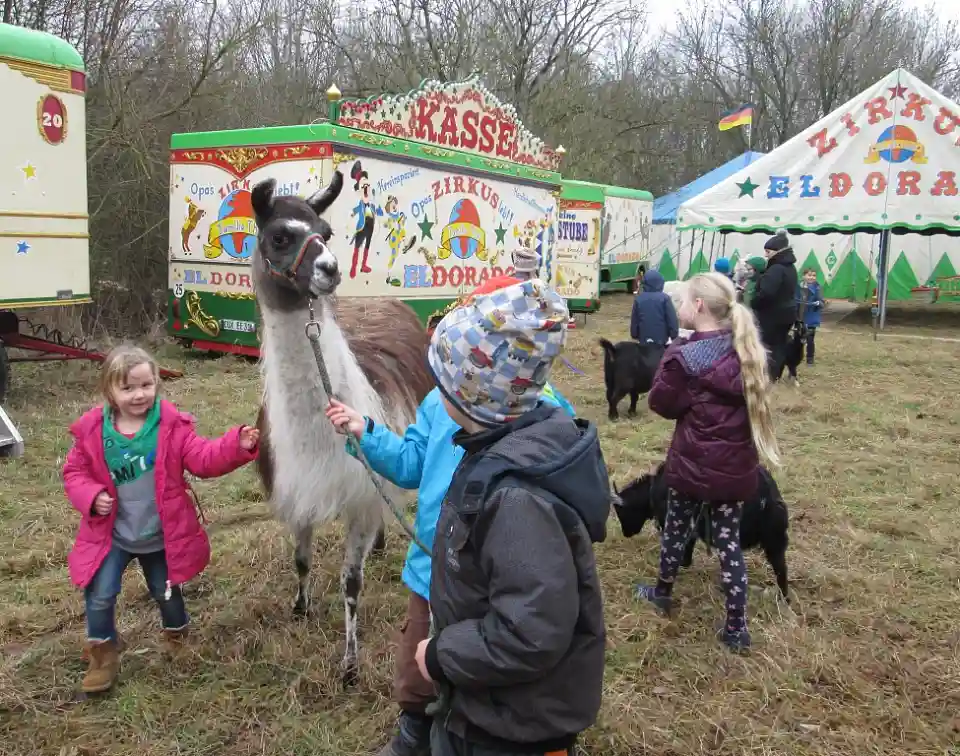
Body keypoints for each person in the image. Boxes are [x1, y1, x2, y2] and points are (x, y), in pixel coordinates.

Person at [325, 283, 576, 756]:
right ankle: (414, 735)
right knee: (417, 669)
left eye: (447, 382)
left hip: (491, 590)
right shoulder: (441, 406)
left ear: (483, 393)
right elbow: (411, 463)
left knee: (482, 670)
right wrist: (368, 434)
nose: (437, 391)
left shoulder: (542, 431)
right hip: (431, 574)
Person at [408, 280, 609, 756]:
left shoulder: (518, 500)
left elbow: (530, 632)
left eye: (443, 383)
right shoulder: (496, 454)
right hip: (486, 701)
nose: (436, 392)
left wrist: (441, 654)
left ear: (471, 395)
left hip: (509, 726)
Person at [62, 345, 260, 694]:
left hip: (160, 535)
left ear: (156, 383)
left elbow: (203, 458)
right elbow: (74, 472)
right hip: (112, 535)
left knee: (165, 591)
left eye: (146, 385)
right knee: (100, 593)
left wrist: (236, 446)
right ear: (109, 391)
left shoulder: (171, 427)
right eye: (128, 388)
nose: (139, 395)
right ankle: (102, 653)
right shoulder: (94, 431)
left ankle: (177, 636)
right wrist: (91, 496)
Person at [636, 273, 780, 653]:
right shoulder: (746, 351)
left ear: (698, 306)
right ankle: (736, 628)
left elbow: (661, 404)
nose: (679, 307)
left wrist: (671, 359)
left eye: (683, 300)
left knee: (676, 528)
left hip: (691, 467)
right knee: (728, 541)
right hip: (735, 470)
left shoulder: (685, 357)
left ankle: (663, 592)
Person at [751, 230, 799, 381]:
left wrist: (754, 302)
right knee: (780, 344)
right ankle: (776, 374)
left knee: (769, 346)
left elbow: (767, 293)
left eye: (768, 251)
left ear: (777, 251)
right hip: (787, 313)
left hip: (773, 315)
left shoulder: (776, 269)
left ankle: (769, 375)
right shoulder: (790, 268)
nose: (766, 255)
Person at [630, 269, 679, 346]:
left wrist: (634, 334)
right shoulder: (665, 298)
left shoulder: (638, 299)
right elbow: (672, 319)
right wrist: (674, 336)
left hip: (643, 341)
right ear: (661, 283)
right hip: (661, 341)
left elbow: (635, 320)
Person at [798, 268, 823, 365]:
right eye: (809, 275)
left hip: (812, 317)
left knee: (810, 339)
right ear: (803, 276)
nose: (811, 277)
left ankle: (810, 358)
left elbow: (821, 301)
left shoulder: (817, 287)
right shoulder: (798, 287)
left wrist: (818, 303)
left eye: (814, 275)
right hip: (800, 317)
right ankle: (798, 356)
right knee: (799, 339)